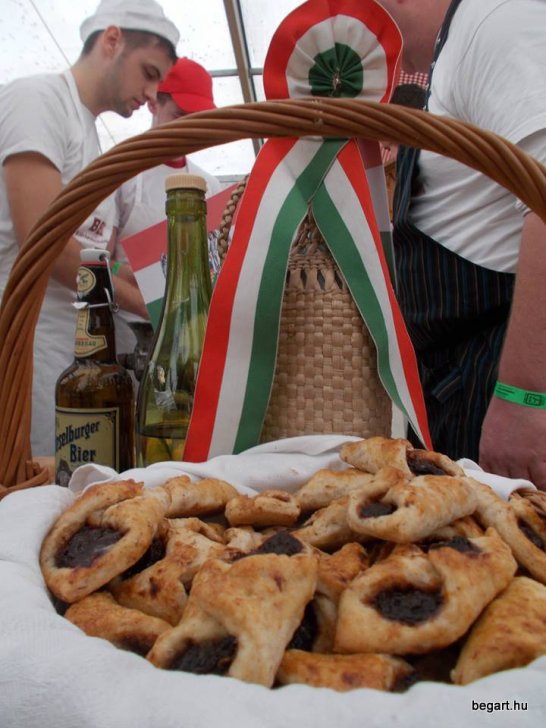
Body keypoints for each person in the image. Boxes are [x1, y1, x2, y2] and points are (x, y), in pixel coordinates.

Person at [375, 0, 546, 489]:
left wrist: (525, 399)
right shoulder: (456, 49)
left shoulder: (495, 22)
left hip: (499, 384)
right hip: (462, 386)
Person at [0, 0, 179, 457]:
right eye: (149, 72)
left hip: (74, 361)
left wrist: (131, 278)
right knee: (34, 482)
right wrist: (156, 307)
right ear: (112, 40)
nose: (152, 94)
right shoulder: (39, 101)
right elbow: (44, 244)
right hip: (28, 351)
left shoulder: (91, 138)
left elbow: (92, 252)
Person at [113, 56, 222, 355]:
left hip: (192, 338)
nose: (189, 129)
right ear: (153, 104)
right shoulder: (121, 172)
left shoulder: (208, 185)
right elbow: (98, 260)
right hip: (130, 339)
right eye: (179, 115)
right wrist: (131, 278)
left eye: (198, 119)